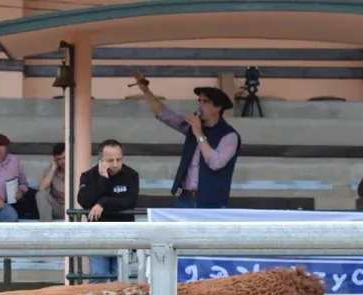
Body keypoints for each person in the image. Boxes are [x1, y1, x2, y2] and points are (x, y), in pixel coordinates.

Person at [131, 70, 240, 208]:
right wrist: (146, 90)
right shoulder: (191, 127)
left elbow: (215, 163)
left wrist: (199, 134)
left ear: (218, 107)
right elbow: (164, 114)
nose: (200, 105)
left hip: (212, 203)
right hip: (185, 198)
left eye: (205, 102)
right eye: (199, 101)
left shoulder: (229, 136)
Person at [76, 139, 140, 281]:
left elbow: (130, 201)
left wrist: (102, 203)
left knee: (120, 278)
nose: (115, 164)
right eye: (110, 160)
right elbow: (84, 201)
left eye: (119, 159)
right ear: (101, 160)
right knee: (98, 275)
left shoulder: (131, 175)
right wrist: (103, 179)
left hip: (123, 233)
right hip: (97, 234)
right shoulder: (88, 176)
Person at [36, 142, 66, 221]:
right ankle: (46, 226)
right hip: (59, 208)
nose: (63, 161)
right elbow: (42, 188)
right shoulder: (51, 170)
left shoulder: (79, 167)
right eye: (59, 159)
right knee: (41, 194)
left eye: (64, 158)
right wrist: (53, 169)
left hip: (75, 209)